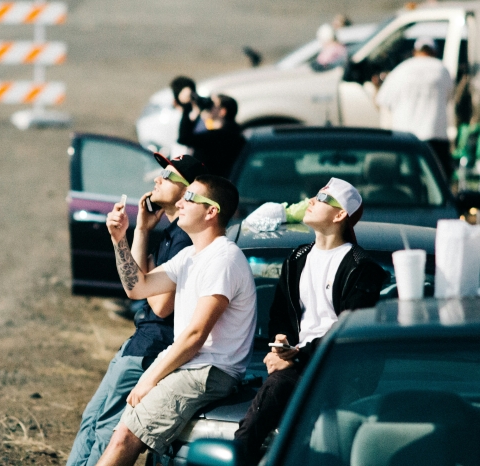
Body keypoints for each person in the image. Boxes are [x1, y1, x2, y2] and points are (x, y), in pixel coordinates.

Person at [97, 175, 257, 466]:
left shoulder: (224, 259)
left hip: (209, 370)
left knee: (124, 438)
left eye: (191, 198)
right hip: (190, 365)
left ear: (211, 212)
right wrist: (120, 239)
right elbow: (137, 287)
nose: (180, 202)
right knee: (123, 435)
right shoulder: (190, 256)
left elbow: (196, 334)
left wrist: (150, 377)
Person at [233, 177, 389, 465]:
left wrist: (297, 357)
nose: (312, 201)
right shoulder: (298, 257)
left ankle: (239, 456)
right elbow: (280, 313)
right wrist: (280, 341)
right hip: (296, 361)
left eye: (323, 199)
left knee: (276, 392)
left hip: (337, 367)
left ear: (340, 214)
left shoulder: (361, 267)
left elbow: (349, 329)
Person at [66, 154, 208, 466]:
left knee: (105, 430)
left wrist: (125, 239)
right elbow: (136, 286)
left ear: (189, 192)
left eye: (168, 177)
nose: (157, 179)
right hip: (138, 342)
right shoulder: (171, 232)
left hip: (151, 347)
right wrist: (141, 230)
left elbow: (159, 305)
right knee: (92, 420)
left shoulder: (187, 240)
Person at [376, 37, 454, 180]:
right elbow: (449, 97)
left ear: (415, 51)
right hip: (435, 135)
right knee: (438, 179)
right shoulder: (442, 70)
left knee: (410, 179)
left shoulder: (401, 69)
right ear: (434, 51)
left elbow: (382, 100)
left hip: (406, 136)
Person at [176, 87, 245, 177]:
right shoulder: (234, 132)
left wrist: (186, 108)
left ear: (222, 111)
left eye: (212, 104)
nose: (209, 107)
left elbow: (184, 138)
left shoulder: (220, 136)